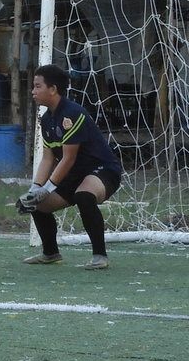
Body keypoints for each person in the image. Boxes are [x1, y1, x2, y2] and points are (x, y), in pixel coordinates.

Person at [19, 63, 122, 269]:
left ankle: (100, 257)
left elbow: (68, 158)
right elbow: (48, 159)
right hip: (74, 174)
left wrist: (47, 188)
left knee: (84, 195)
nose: (33, 91)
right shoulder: (47, 119)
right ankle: (50, 253)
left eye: (38, 86)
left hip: (102, 171)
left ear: (53, 89)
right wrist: (35, 190)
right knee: (36, 204)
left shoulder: (72, 114)